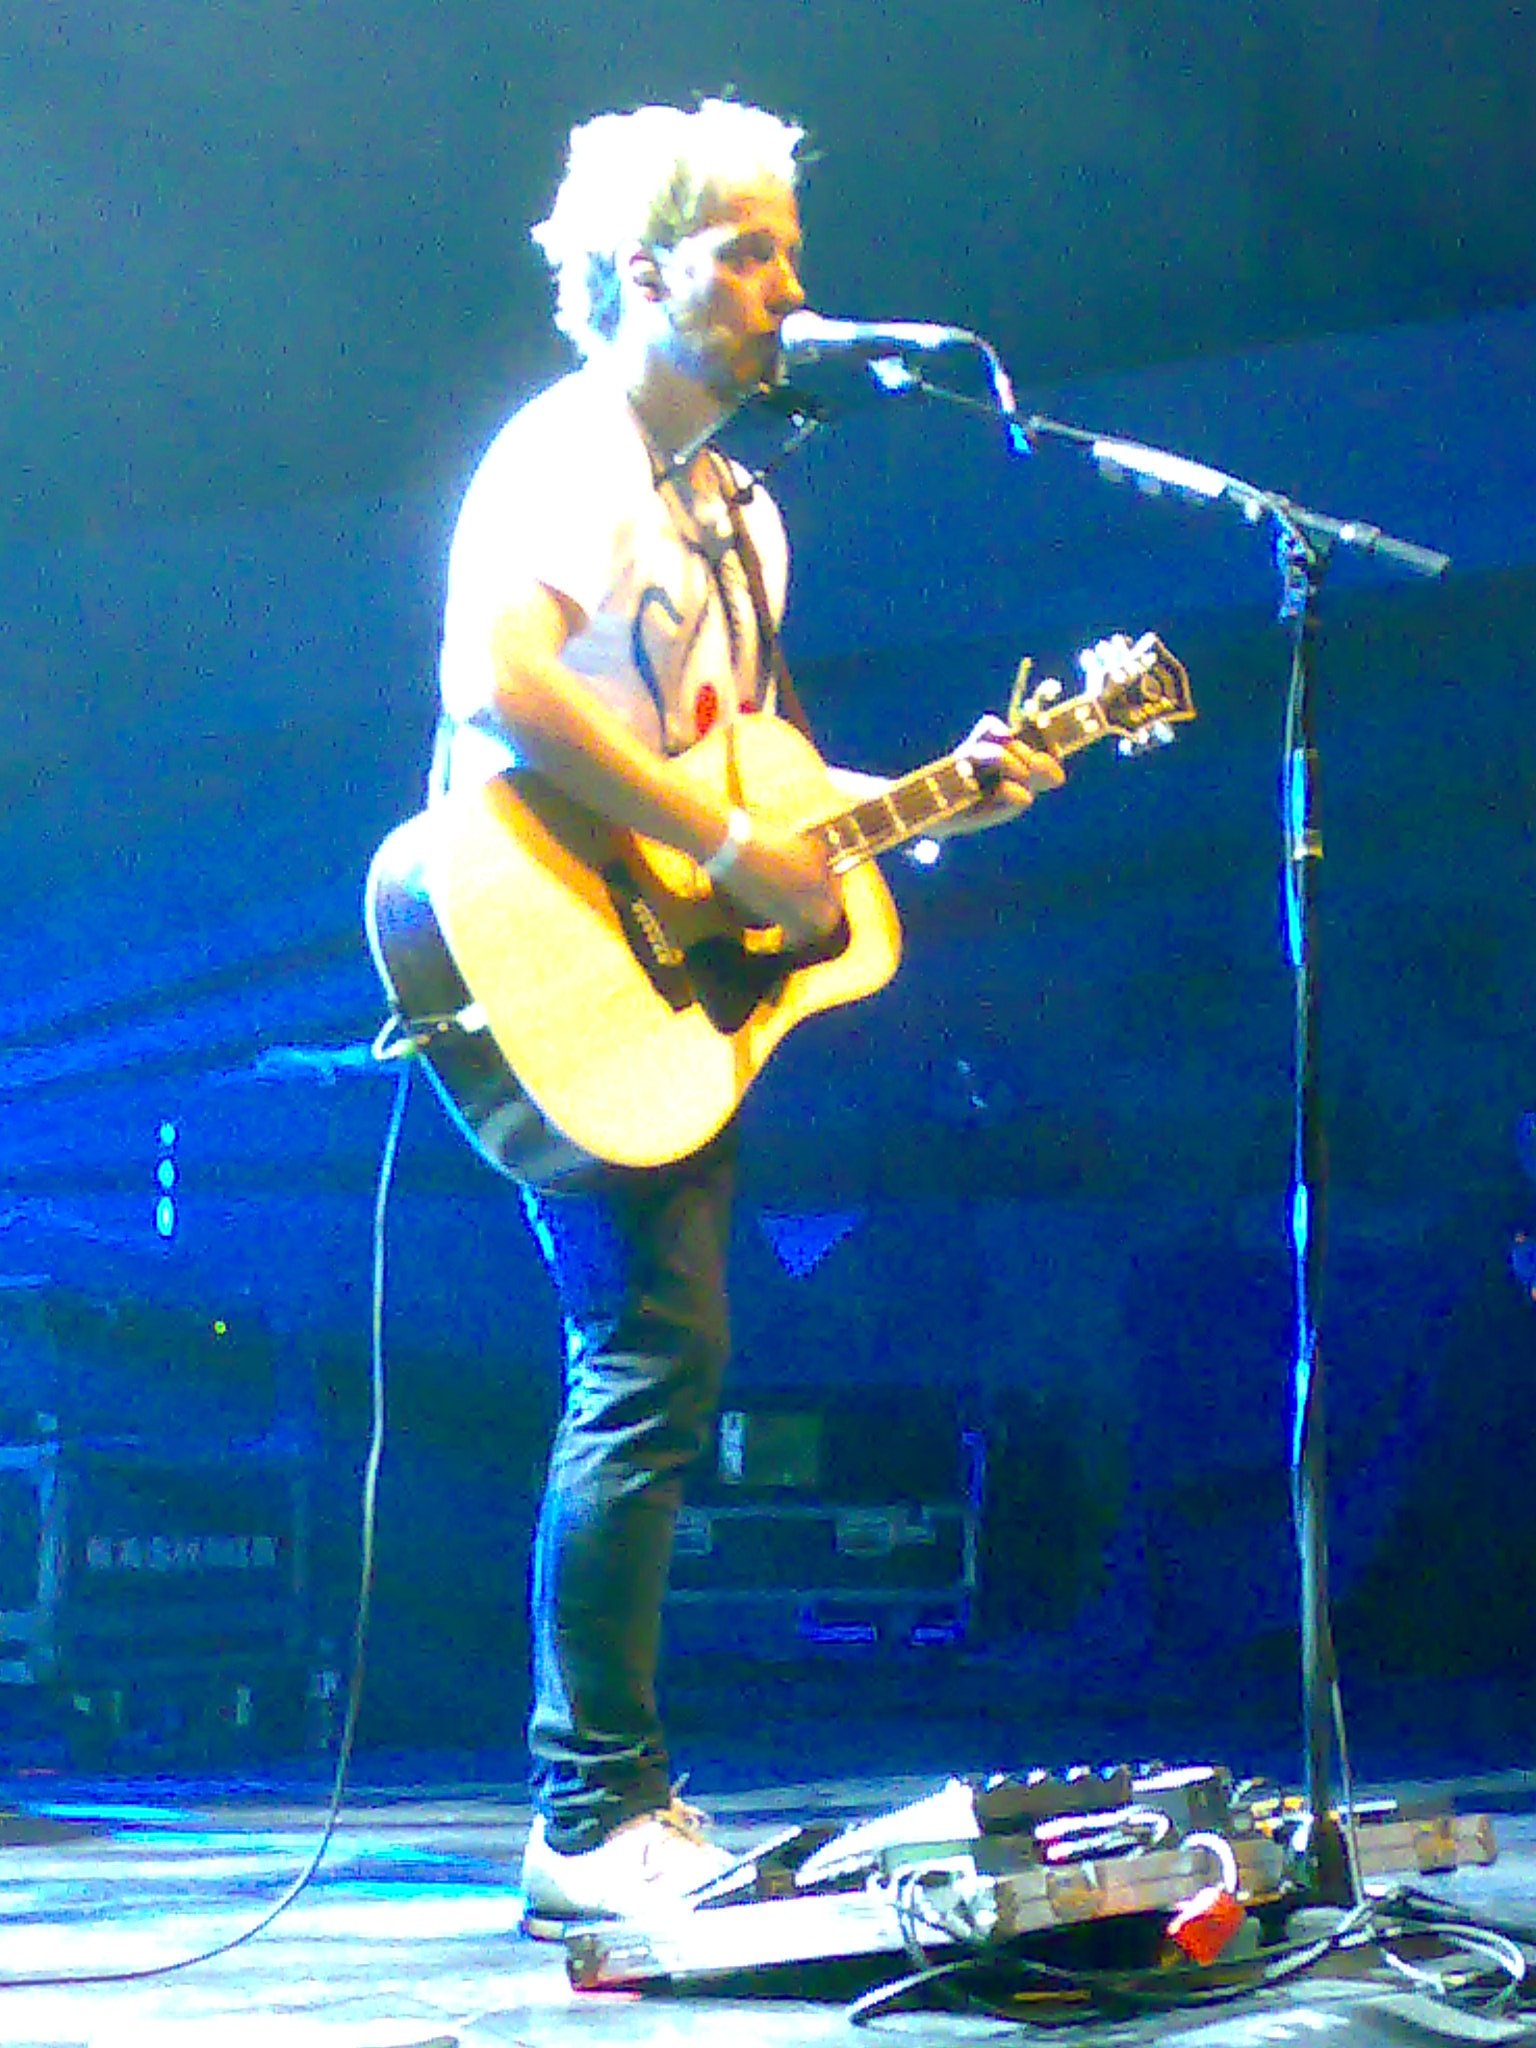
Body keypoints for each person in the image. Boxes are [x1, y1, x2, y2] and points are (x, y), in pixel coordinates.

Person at [430, 97, 1064, 1934]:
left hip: (662, 969)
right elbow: (498, 682)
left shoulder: (740, 510)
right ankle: (586, 1819)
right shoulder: (577, 450)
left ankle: (613, 1802)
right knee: (641, 1366)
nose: (792, 285)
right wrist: (722, 844)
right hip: (551, 943)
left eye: (793, 246)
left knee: (660, 1364)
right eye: (752, 251)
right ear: (645, 273)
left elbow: (755, 783)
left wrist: (944, 791)